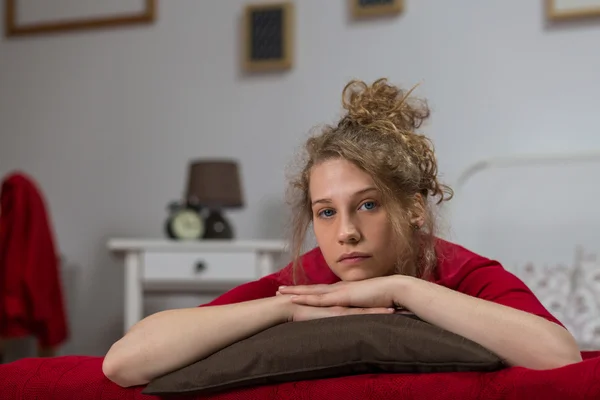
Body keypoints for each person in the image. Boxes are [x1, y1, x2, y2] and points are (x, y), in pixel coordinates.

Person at [102, 78, 582, 388]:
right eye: (326, 213)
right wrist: (287, 307)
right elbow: (123, 363)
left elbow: (561, 355)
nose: (346, 233)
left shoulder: (460, 270)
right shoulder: (309, 280)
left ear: (414, 209)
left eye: (368, 205)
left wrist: (401, 288)